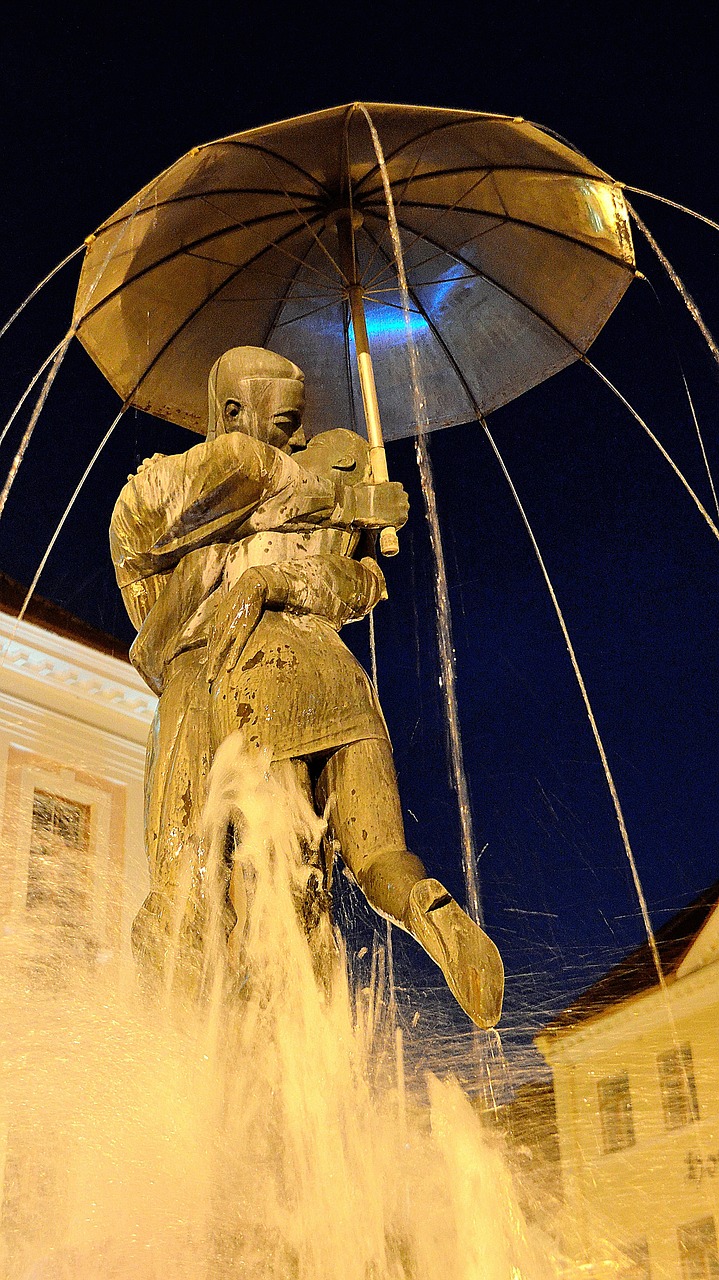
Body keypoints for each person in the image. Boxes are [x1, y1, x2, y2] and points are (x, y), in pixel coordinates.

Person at [110, 346, 503, 1027]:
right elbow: (240, 478)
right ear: (232, 412)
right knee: (372, 861)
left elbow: (347, 574)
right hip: (342, 685)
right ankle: (428, 910)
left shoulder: (183, 502)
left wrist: (331, 525)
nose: (297, 437)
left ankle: (187, 1057)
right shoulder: (194, 483)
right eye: (287, 421)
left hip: (237, 679)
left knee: (186, 879)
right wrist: (346, 496)